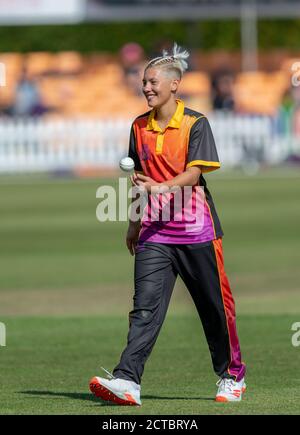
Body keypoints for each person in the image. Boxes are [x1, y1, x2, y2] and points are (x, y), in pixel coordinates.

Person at [89, 43, 246, 405]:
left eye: (153, 81)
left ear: (175, 84)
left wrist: (159, 187)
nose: (146, 87)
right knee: (144, 308)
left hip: (197, 230)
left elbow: (194, 175)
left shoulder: (196, 123)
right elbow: (138, 180)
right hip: (154, 233)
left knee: (214, 307)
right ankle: (128, 379)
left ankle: (232, 375)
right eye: (144, 82)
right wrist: (133, 224)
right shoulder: (137, 126)